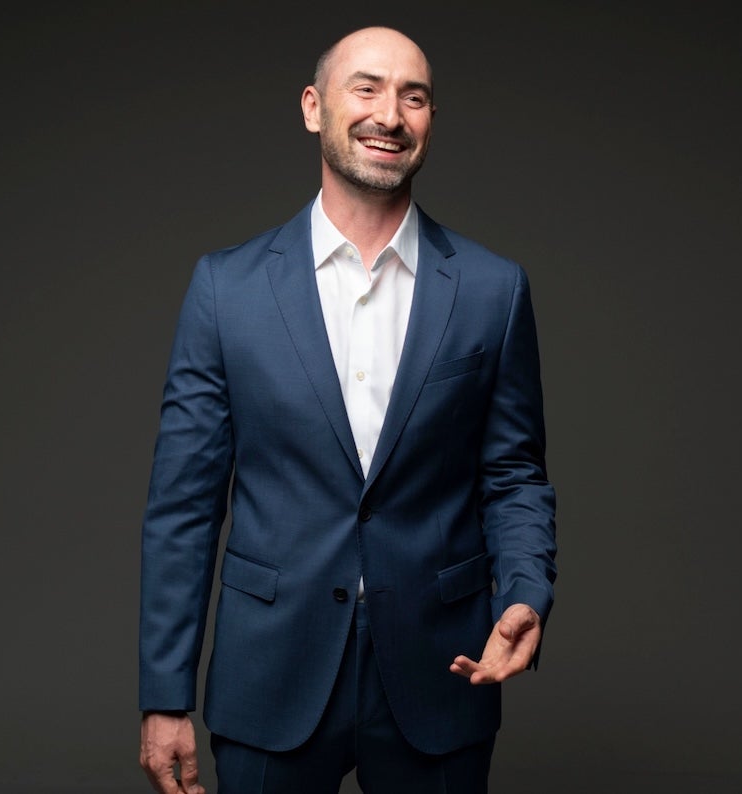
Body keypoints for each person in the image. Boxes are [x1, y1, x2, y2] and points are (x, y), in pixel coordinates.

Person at [138, 25, 557, 794]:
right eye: (365, 88)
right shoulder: (226, 290)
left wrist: (526, 590)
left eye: (414, 96)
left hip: (441, 670)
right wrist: (164, 695)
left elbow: (513, 473)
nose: (389, 115)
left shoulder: (494, 290)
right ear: (313, 107)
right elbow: (184, 508)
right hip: (270, 671)